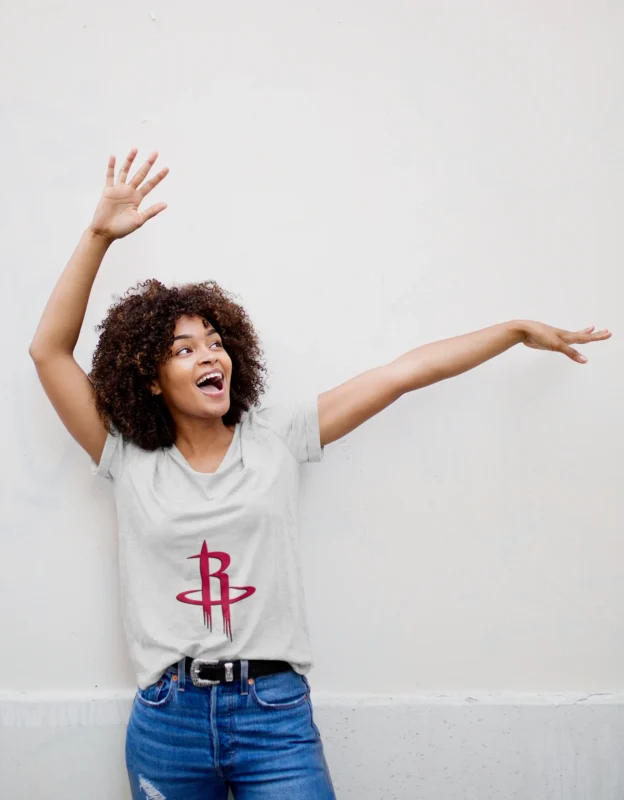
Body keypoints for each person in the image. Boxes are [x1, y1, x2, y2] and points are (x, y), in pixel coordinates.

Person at [29, 148, 612, 800]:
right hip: (168, 720)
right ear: (151, 377)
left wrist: (512, 331)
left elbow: (401, 373)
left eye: (215, 341)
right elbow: (48, 351)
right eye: (183, 349)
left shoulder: (278, 436)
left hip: (272, 713)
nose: (208, 354)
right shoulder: (128, 455)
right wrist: (99, 235)